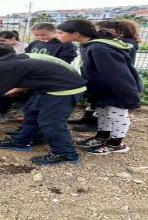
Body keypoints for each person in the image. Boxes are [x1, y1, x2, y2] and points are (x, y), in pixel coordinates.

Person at [0, 45, 87, 165]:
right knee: (31, 112)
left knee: (50, 122)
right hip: (49, 87)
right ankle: (23, 140)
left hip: (63, 89)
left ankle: (66, 153)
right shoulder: (7, 61)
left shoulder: (0, 66)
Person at [57, 19, 143, 154]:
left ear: (75, 34)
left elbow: (118, 75)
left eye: (60, 33)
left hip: (118, 89)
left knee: (117, 115)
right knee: (103, 113)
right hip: (103, 89)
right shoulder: (88, 45)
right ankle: (103, 136)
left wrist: (129, 97)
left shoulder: (100, 48)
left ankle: (116, 144)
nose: (58, 35)